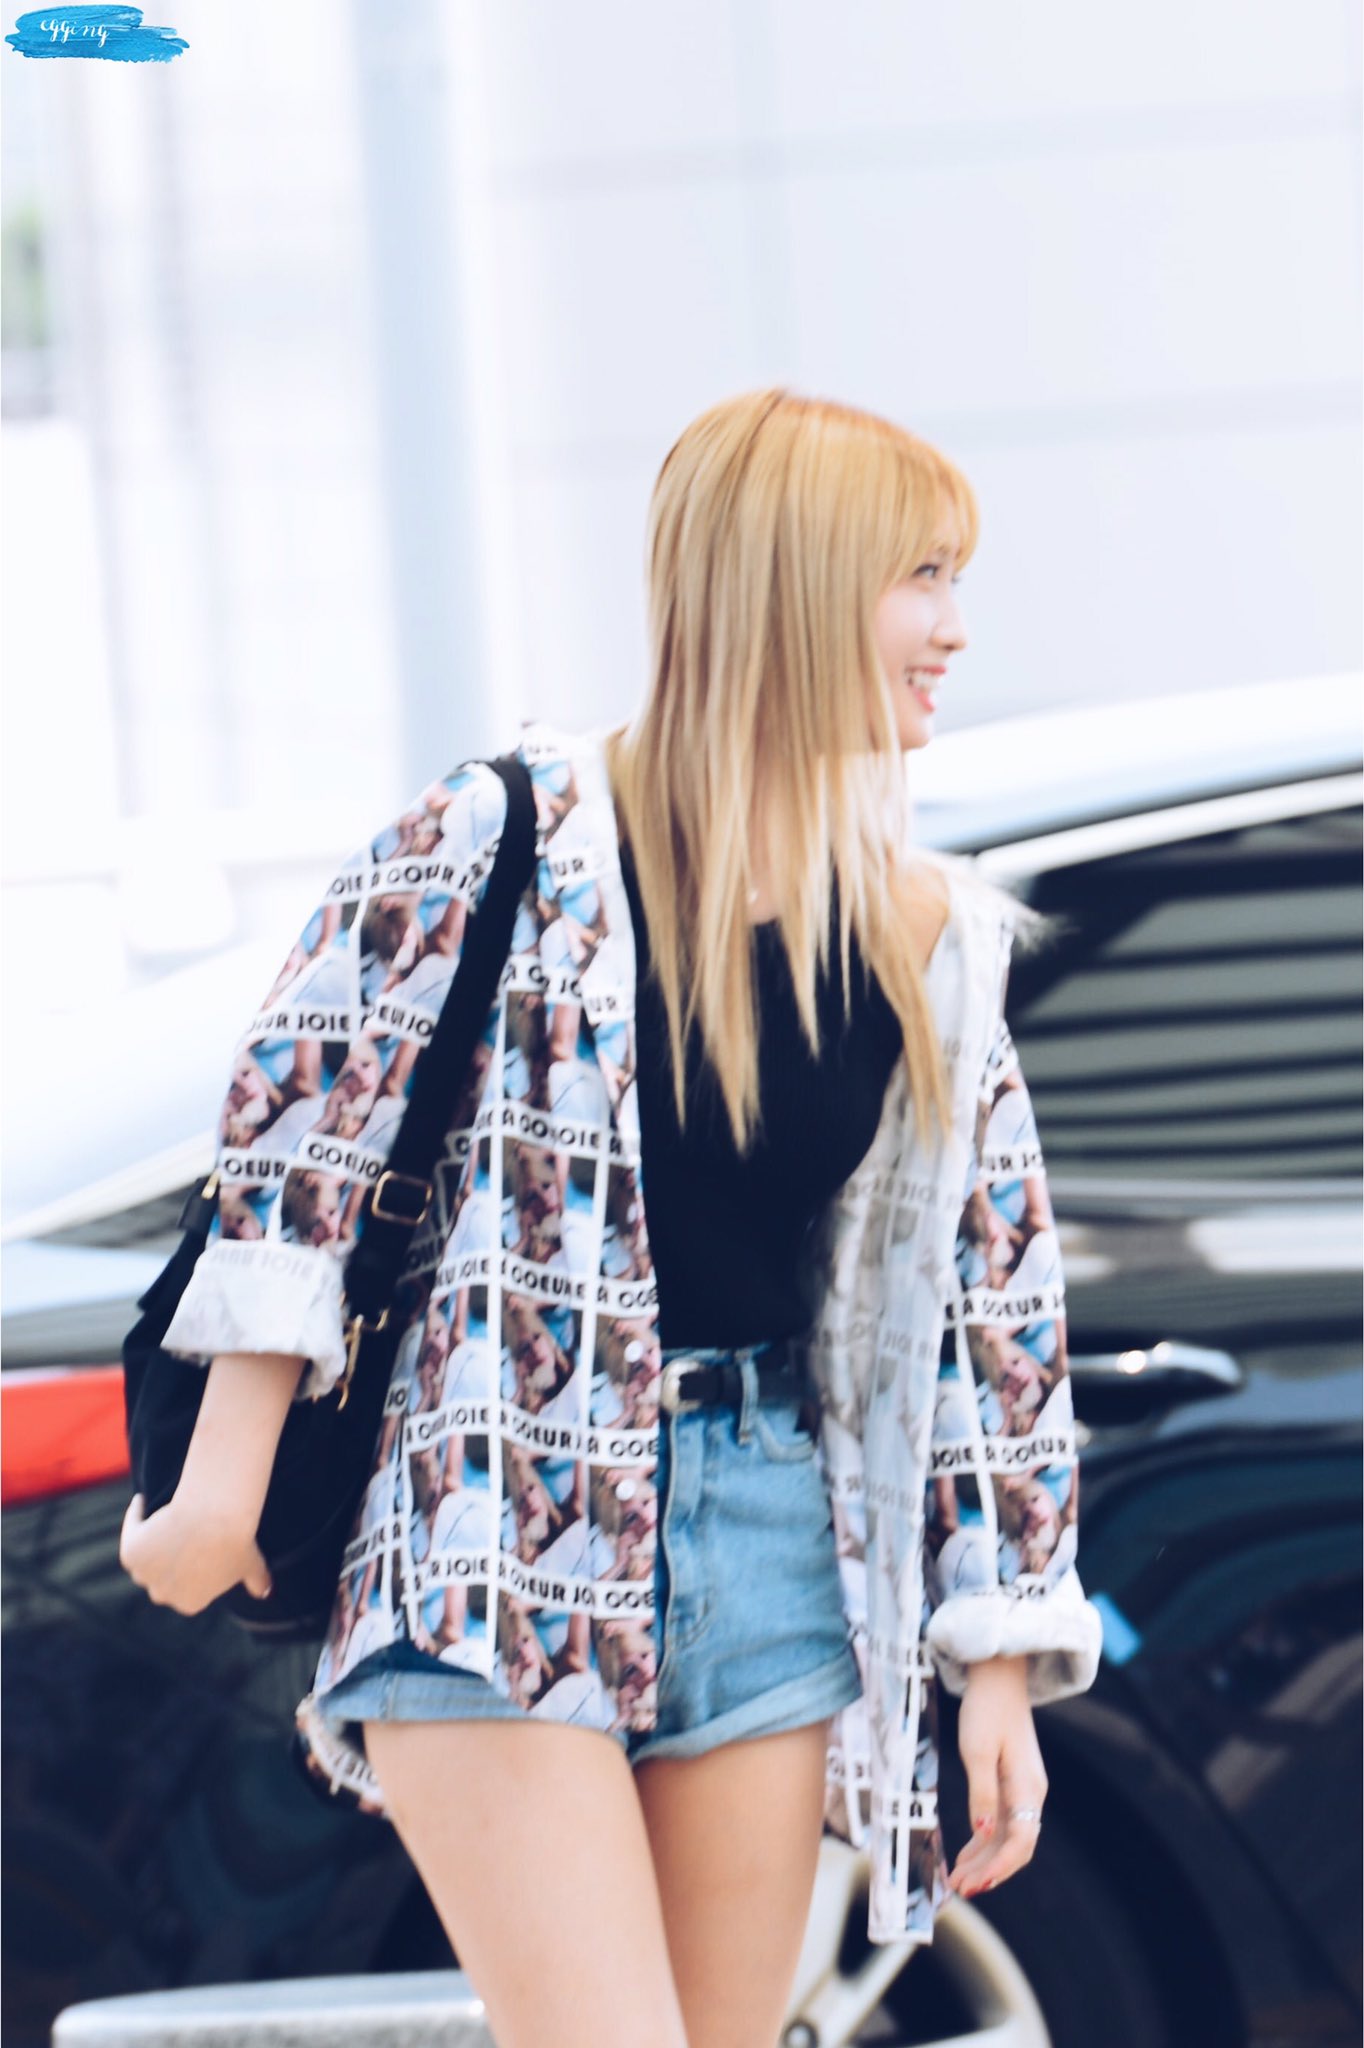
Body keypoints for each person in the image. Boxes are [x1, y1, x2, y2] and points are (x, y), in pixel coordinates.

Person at [119, 387, 1103, 2048]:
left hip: (770, 1536)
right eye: (922, 576)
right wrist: (219, 1487)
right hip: (498, 1512)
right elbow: (301, 1143)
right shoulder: (504, 832)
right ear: (794, 581)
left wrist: (996, 1657)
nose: (954, 628)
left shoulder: (922, 936)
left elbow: (989, 1297)